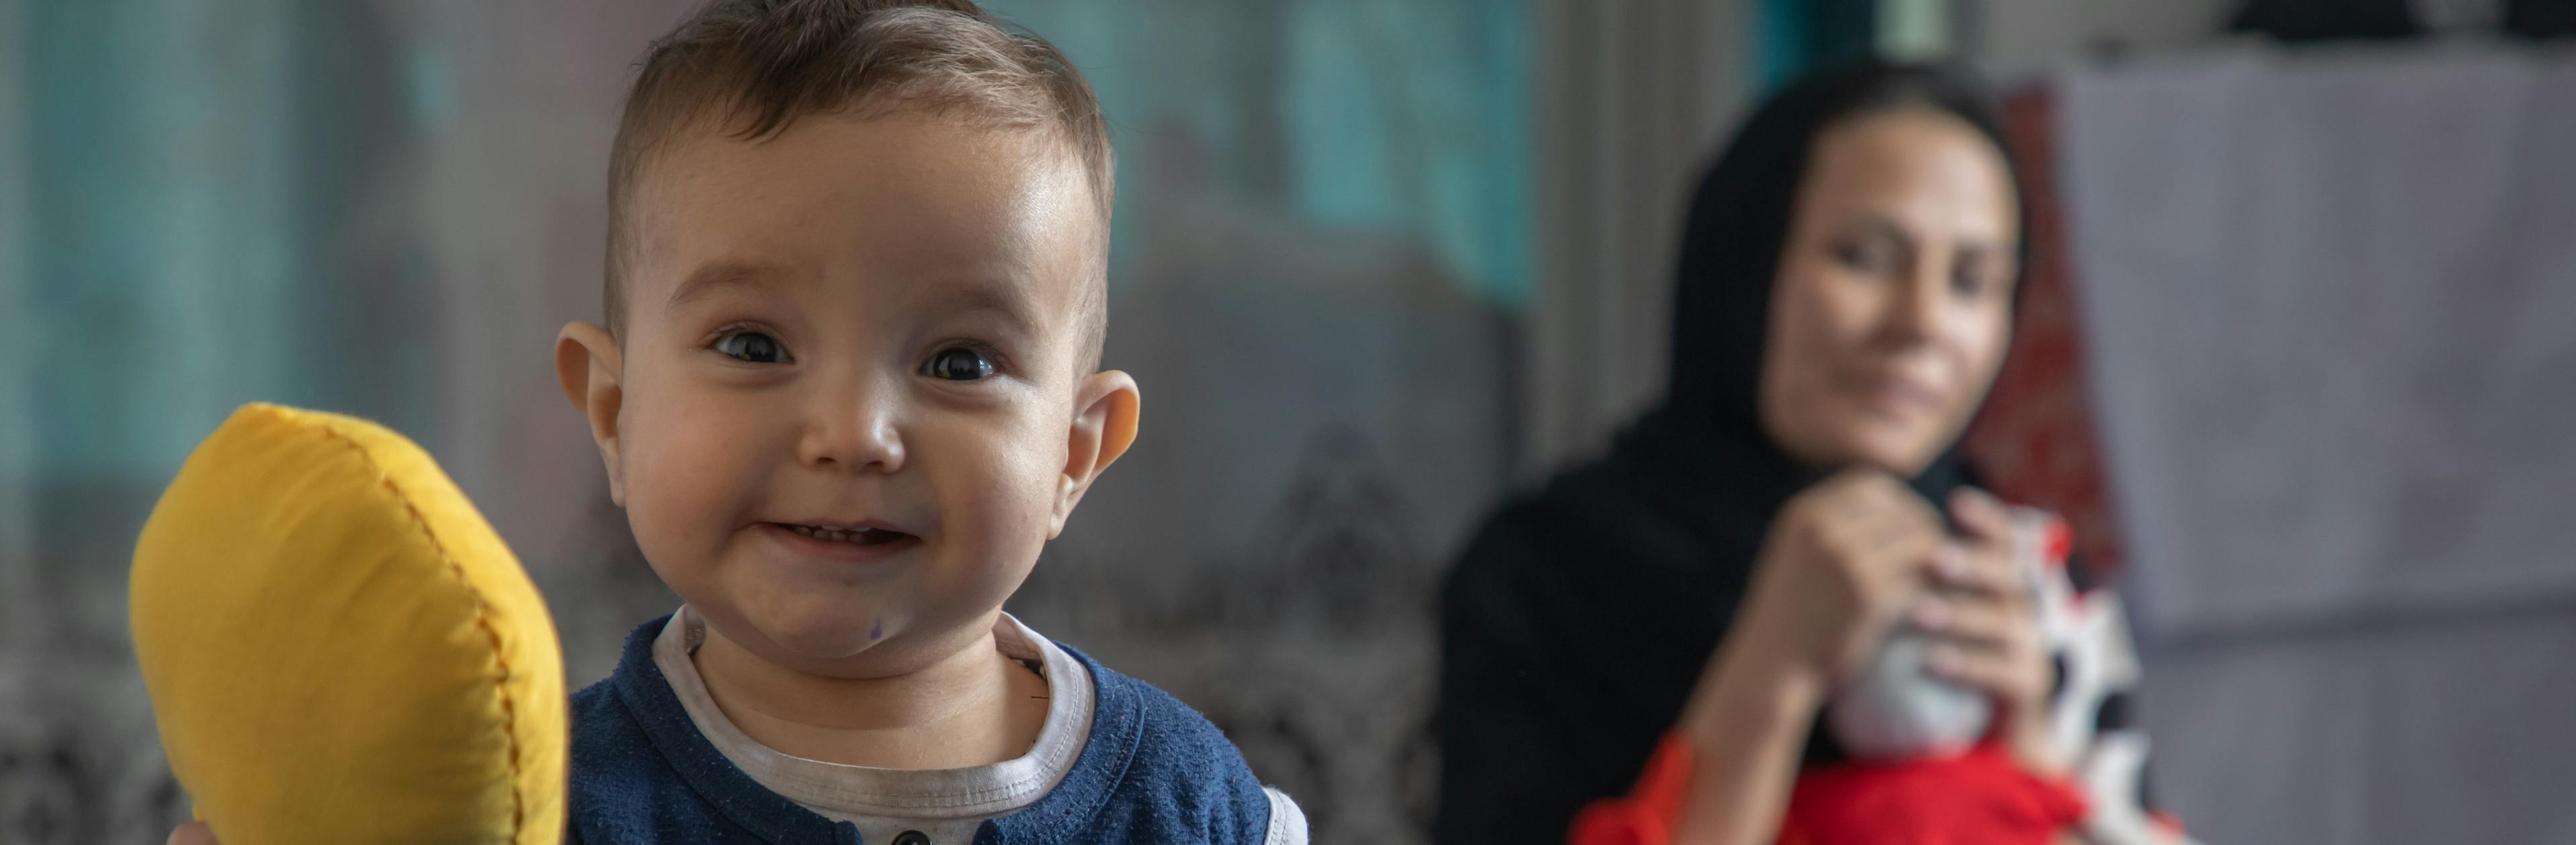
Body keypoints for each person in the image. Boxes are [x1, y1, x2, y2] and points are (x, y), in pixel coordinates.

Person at [173, 1, 1305, 843]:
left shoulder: (1193, 804)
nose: (855, 433)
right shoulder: (547, 811)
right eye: (755, 347)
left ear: (1073, 453)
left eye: (958, 361)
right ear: (613, 415)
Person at [1436, 59, 2178, 845]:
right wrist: (1774, 666)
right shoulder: (1547, 576)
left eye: (1971, 280)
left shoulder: (2028, 585)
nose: (1921, 323)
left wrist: (2029, 741)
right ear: (1744, 268)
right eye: (1864, 258)